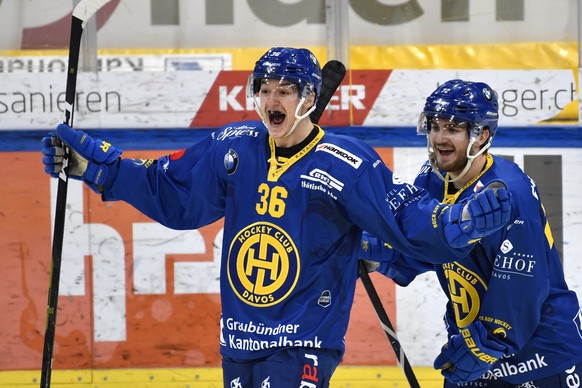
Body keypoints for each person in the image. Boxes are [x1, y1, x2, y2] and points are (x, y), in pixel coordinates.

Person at [41, 50, 511, 388]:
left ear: (308, 97)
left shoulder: (344, 163)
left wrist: (452, 222)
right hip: (240, 337)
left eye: (285, 90)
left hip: (305, 337)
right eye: (265, 90)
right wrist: (99, 170)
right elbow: (175, 193)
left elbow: (401, 215)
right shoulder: (235, 146)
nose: (273, 99)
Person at [360, 79, 582, 387]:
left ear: (482, 136)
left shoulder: (509, 192)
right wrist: (375, 253)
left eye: (452, 129)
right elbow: (426, 244)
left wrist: (486, 348)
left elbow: (521, 283)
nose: (439, 137)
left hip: (542, 355)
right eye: (435, 126)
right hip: (474, 341)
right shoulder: (433, 180)